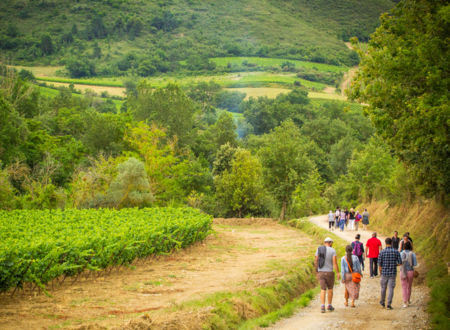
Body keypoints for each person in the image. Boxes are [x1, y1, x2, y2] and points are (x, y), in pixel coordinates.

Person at [314, 237, 340, 313]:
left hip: (321, 272)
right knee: (330, 289)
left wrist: (316, 271)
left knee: (322, 289)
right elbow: (335, 263)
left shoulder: (319, 249)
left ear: (325, 242)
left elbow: (316, 261)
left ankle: (322, 306)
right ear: (330, 243)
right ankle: (329, 305)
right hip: (329, 273)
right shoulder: (333, 250)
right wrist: (338, 272)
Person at [379, 237, 402, 309]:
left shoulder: (382, 252)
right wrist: (395, 264)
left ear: (385, 243)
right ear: (391, 243)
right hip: (392, 273)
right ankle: (389, 304)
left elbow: (379, 265)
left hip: (384, 273)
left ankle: (382, 302)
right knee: (391, 289)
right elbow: (400, 263)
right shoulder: (396, 252)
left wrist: (381, 273)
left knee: (383, 288)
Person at [400, 241, 417, 307]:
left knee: (404, 287)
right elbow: (415, 264)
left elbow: (399, 262)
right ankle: (408, 300)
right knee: (409, 287)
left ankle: (405, 302)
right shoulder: (413, 254)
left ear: (404, 247)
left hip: (403, 271)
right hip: (410, 271)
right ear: (410, 247)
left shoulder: (401, 253)